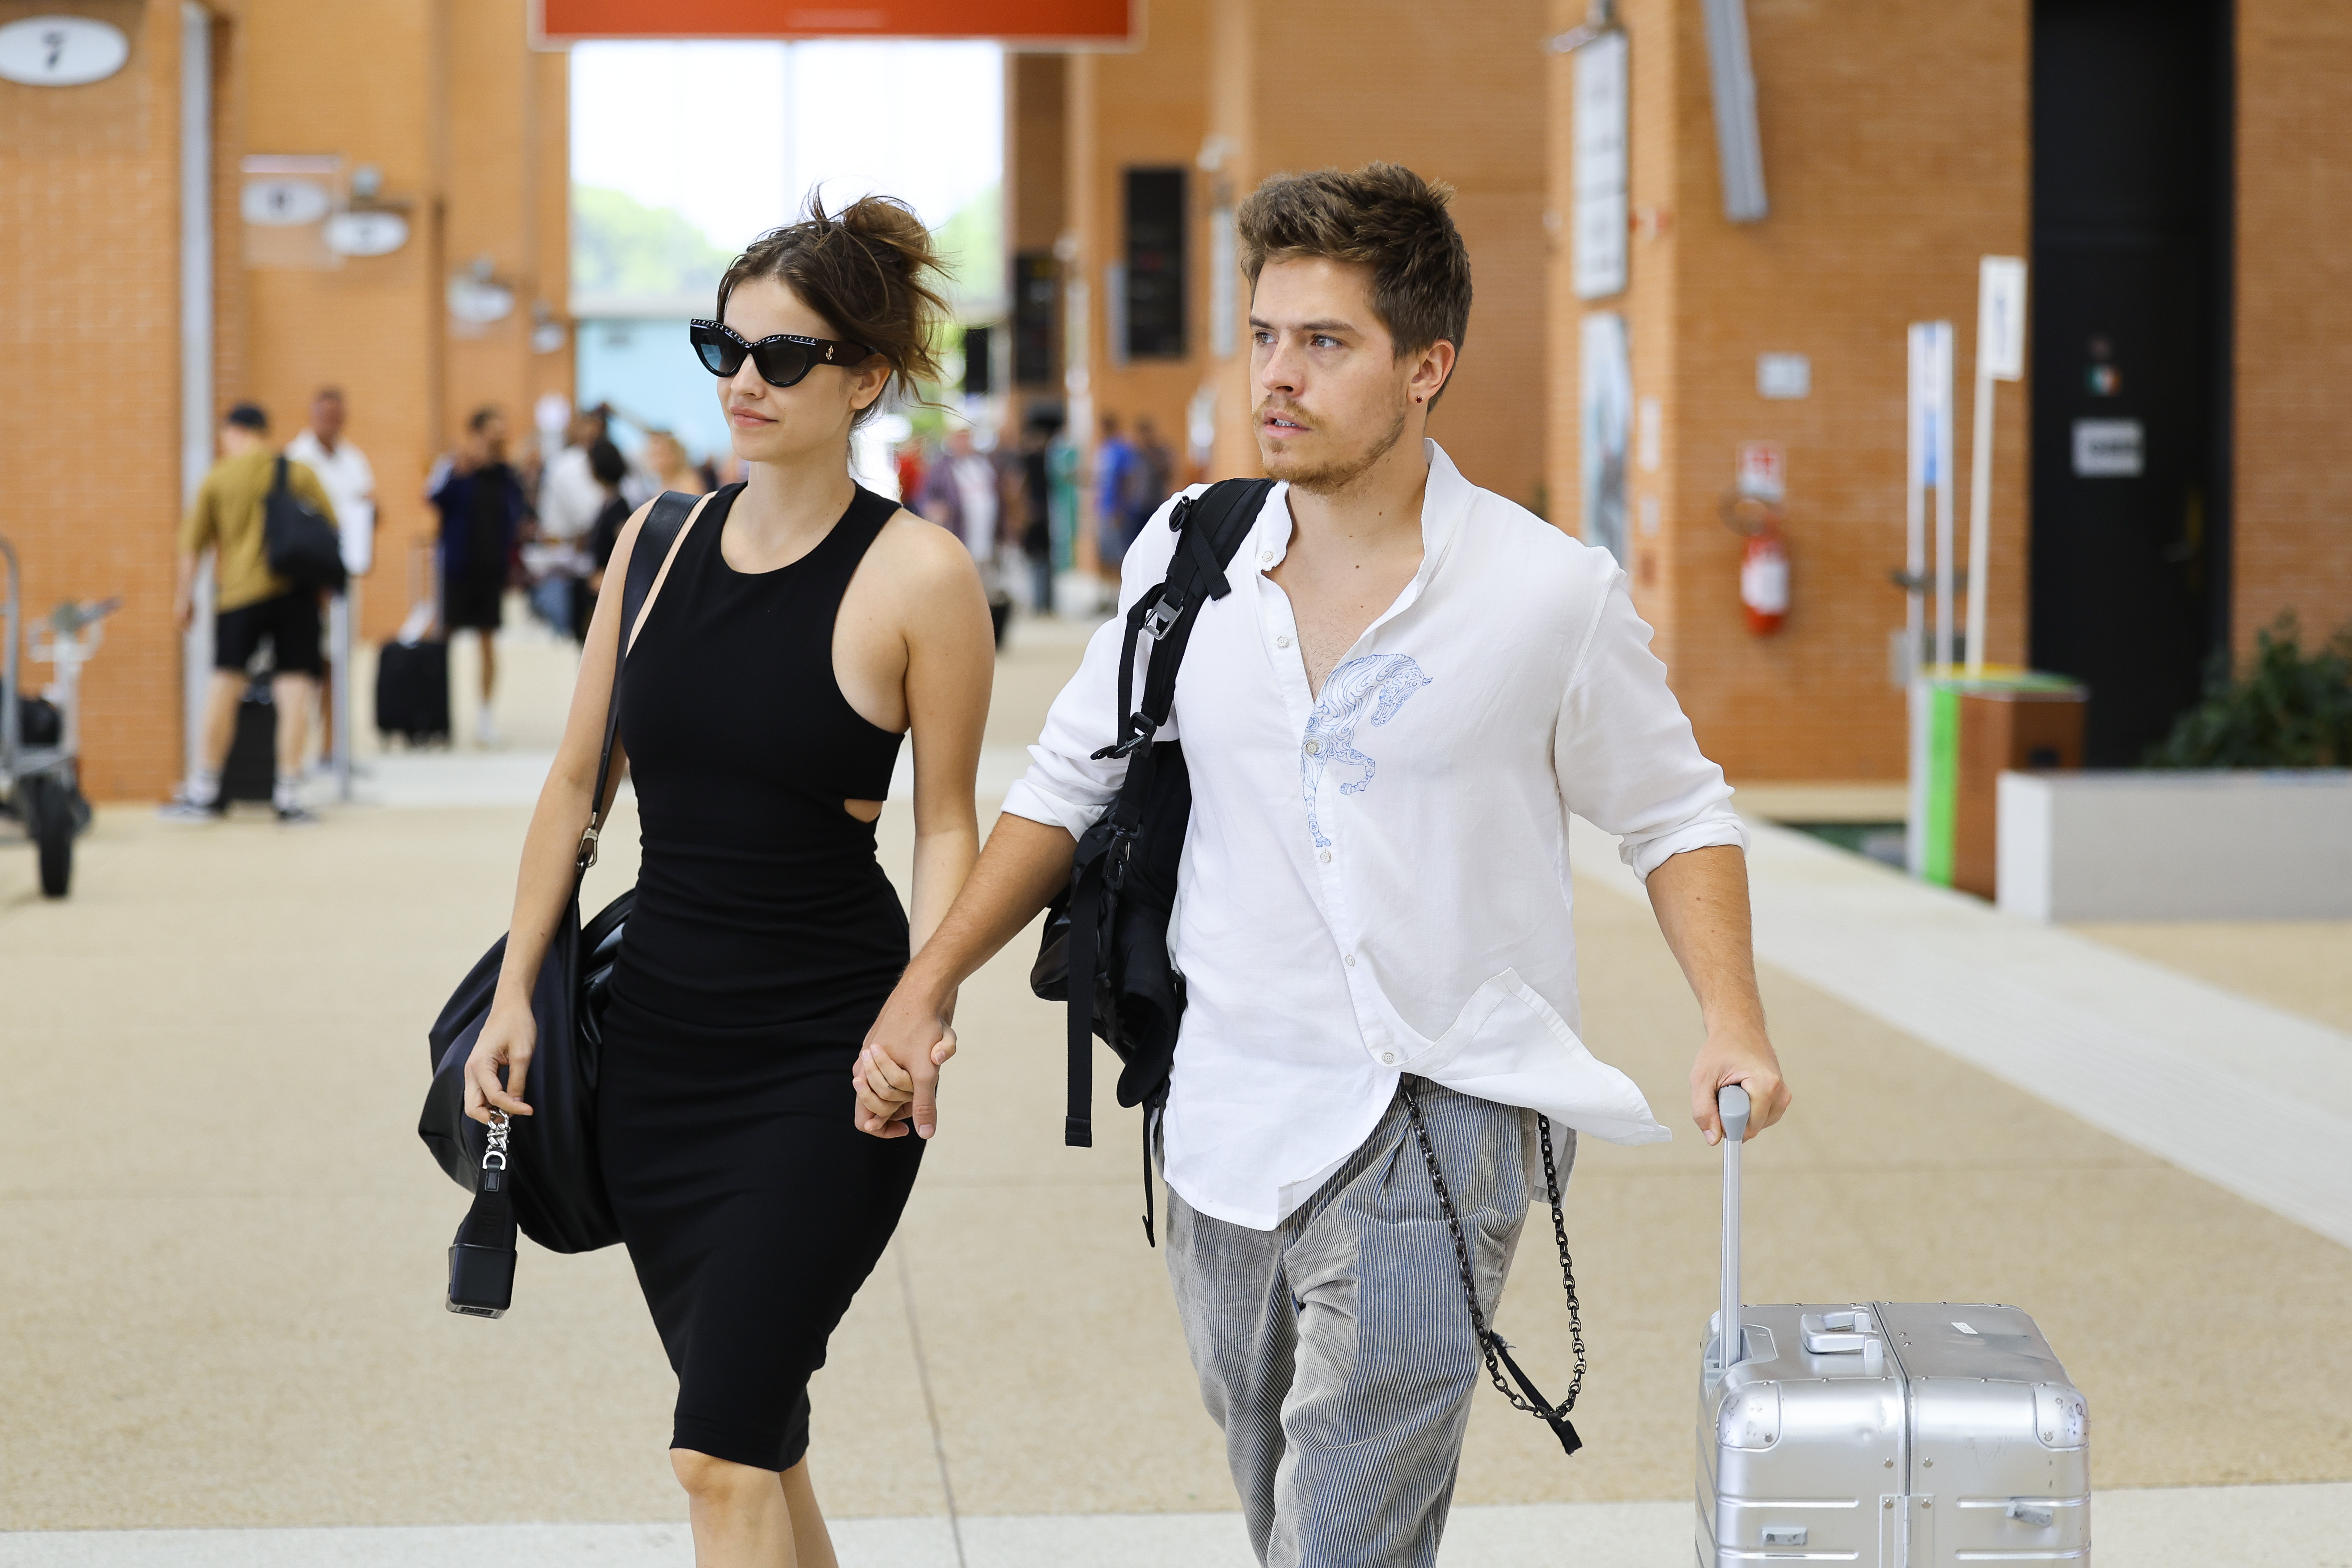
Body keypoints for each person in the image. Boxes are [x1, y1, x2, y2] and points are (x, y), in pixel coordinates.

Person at [853, 163, 1793, 1568]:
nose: (1275, 377)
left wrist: (1732, 1019)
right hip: (1220, 1112)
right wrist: (927, 988)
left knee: (1337, 1536)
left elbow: (1673, 812)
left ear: (1426, 368)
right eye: (1262, 337)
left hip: (1444, 1108)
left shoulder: (1545, 592)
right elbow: (1066, 785)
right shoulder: (1189, 555)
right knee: (1280, 1500)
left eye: (1324, 343)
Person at [460, 193, 994, 1568]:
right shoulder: (653, 545)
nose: (743, 382)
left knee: (713, 1450)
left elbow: (944, 823)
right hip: (657, 1048)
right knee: (754, 1446)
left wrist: (921, 1006)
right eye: (724, 347)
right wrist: (518, 985)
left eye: (784, 356)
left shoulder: (920, 575)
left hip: (825, 1053)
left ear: (865, 376)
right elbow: (577, 785)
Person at [164, 403, 338, 824]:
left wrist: (183, 596)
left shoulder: (219, 477)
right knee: (294, 689)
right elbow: (330, 529)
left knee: (225, 683)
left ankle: (206, 789)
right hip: (295, 593)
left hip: (240, 597)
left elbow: (193, 544)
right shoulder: (298, 472)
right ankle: (289, 792)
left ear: (234, 432)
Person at [284, 386, 376, 774]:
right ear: (312, 416)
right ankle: (295, 752)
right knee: (304, 667)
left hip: (341, 578)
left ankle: (332, 749)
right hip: (306, 582)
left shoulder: (354, 460)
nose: (331, 422)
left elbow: (368, 506)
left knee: (338, 662)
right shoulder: (296, 459)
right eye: (324, 415)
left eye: (337, 416)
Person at [427, 408, 526, 747]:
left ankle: (485, 718)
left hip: (490, 571)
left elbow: (517, 513)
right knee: (444, 638)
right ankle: (435, 716)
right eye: (495, 430)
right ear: (479, 431)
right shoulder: (454, 465)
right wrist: (459, 472)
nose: (501, 436)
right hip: (457, 569)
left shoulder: (505, 474)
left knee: (488, 643)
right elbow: (434, 499)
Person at [536, 405, 613, 639]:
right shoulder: (565, 465)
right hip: (573, 561)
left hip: (604, 561)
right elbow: (585, 515)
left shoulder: (611, 460)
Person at [1092, 411, 1138, 570]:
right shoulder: (1103, 450)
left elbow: (1127, 480)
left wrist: (1122, 507)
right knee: (1106, 554)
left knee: (1122, 553)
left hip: (1117, 510)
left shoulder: (1121, 450)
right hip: (1104, 509)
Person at [644, 430, 712, 499]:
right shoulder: (660, 487)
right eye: (653, 456)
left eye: (661, 455)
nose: (656, 461)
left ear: (675, 455)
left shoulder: (688, 482)